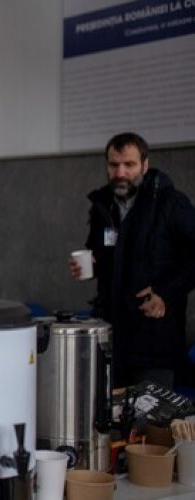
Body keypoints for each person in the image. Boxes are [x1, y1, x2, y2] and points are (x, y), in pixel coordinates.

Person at [70, 132, 195, 388]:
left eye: (129, 164)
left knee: (149, 422)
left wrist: (165, 292)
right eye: (114, 165)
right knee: (112, 421)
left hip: (155, 342)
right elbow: (103, 253)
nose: (120, 173)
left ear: (145, 165)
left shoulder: (170, 203)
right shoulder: (103, 205)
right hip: (112, 339)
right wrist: (91, 265)